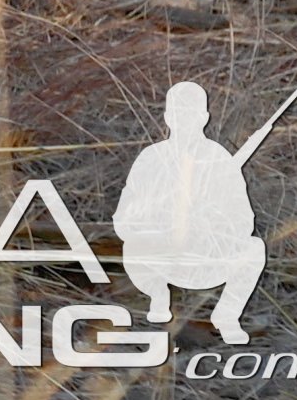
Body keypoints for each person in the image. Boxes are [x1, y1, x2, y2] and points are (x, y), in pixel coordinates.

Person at [112, 78, 271, 340]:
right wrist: (156, 219)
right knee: (132, 247)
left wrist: (214, 222)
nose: (184, 120)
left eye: (191, 114)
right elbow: (123, 219)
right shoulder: (151, 159)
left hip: (207, 258)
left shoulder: (219, 159)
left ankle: (227, 316)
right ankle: (158, 294)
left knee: (254, 249)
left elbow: (245, 221)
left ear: (204, 117)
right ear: (167, 117)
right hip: (162, 257)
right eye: (178, 113)